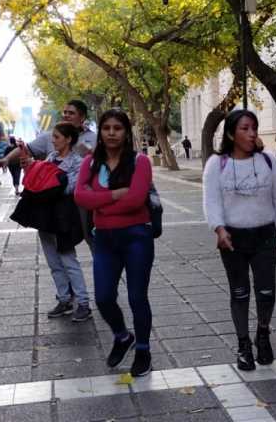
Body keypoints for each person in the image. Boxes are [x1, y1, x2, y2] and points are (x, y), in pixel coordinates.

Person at [203, 109, 276, 371]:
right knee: (239, 292)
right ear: (231, 133)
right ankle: (243, 344)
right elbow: (211, 201)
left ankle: (262, 333)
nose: (252, 133)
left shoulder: (269, 161)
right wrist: (219, 229)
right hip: (232, 238)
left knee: (266, 291)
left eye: (254, 127)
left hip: (264, 235)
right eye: (245, 128)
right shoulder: (216, 164)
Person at [75, 109, 156, 377]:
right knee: (104, 297)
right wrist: (114, 195)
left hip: (137, 237)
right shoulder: (90, 163)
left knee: (136, 297)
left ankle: (143, 349)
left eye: (117, 128)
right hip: (105, 240)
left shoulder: (140, 161)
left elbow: (135, 200)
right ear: (101, 132)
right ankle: (122, 336)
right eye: (107, 128)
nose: (111, 133)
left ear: (126, 132)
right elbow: (79, 197)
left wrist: (99, 200)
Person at [31, 123, 92, 322]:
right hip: (45, 217)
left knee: (68, 260)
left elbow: (71, 188)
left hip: (64, 218)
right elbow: (41, 181)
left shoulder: (78, 162)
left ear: (68, 139)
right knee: (53, 262)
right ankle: (64, 299)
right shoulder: (50, 158)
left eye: (56, 137)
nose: (53, 140)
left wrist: (50, 183)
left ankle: (83, 303)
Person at [0, 100, 96, 167]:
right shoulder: (49, 136)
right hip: (53, 192)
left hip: (80, 192)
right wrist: (7, 159)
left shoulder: (94, 138)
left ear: (82, 117)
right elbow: (27, 149)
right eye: (65, 112)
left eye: (71, 113)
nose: (66, 116)